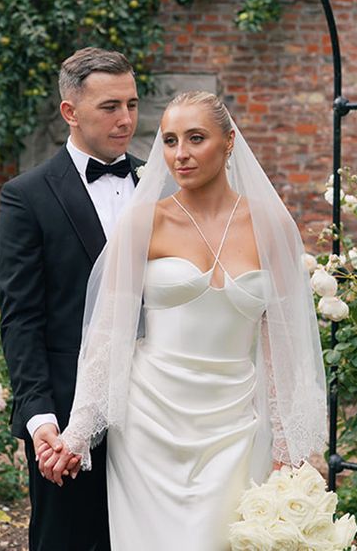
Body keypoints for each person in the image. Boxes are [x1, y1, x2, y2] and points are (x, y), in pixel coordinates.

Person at [39, 90, 328, 551]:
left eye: (196, 138)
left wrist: (292, 447)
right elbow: (108, 337)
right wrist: (77, 434)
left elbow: (286, 344)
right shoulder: (144, 222)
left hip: (237, 425)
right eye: (170, 140)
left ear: (229, 141)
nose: (181, 154)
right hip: (148, 426)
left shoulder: (270, 224)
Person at [0, 47, 142, 551]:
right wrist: (41, 418)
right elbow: (21, 318)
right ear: (70, 112)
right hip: (69, 417)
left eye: (132, 104)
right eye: (109, 107)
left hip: (159, 409)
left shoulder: (164, 187)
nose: (125, 119)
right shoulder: (27, 196)